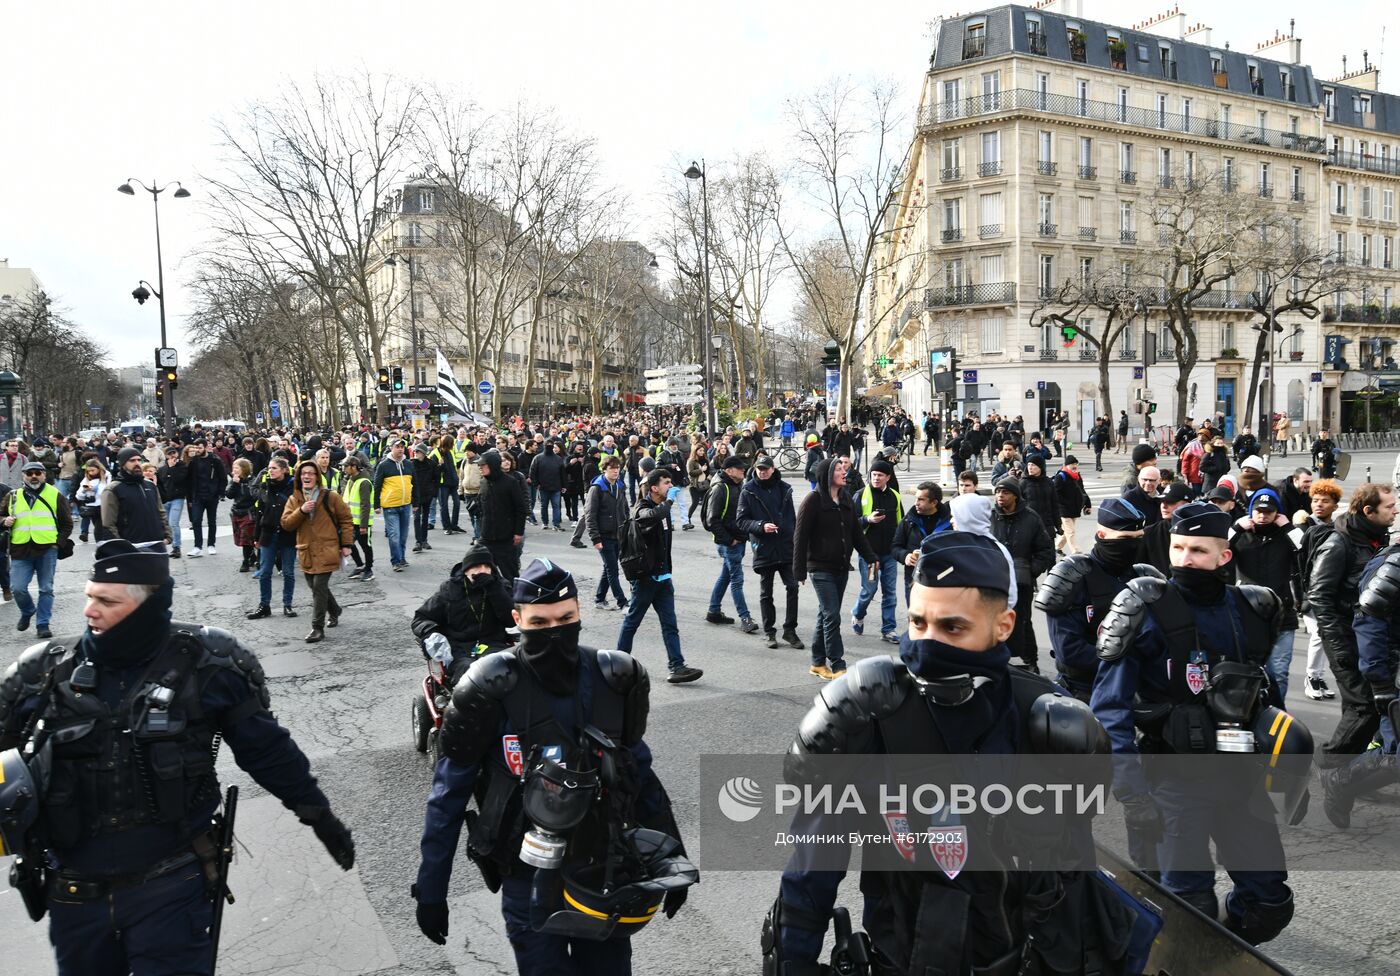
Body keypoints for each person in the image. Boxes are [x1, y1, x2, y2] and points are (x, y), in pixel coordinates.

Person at [766, 531, 1125, 975]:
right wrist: (791, 958)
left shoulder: (1046, 720)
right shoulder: (866, 714)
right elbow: (812, 866)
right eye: (918, 623)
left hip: (1026, 952)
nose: (927, 643)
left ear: (1003, 626)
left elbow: (1073, 860)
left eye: (952, 627)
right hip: (906, 951)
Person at [0, 539, 354, 976]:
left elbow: (268, 751)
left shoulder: (207, 664)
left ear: (146, 608)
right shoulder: (43, 672)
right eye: (90, 597)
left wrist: (318, 815)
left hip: (170, 886)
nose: (89, 610)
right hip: (74, 895)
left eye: (106, 602)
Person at [412, 558, 696, 974]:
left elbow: (640, 774)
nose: (555, 632)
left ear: (579, 612)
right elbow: (447, 795)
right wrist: (432, 890)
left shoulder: (613, 678)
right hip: (526, 869)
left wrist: (671, 855)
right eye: (540, 622)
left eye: (566, 619)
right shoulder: (490, 687)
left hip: (605, 865)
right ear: (517, 619)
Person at [1092, 502, 1299, 945]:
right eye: (1179, 548)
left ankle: (1217, 949)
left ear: (1224, 557)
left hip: (1240, 777)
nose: (1185, 560)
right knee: (1188, 909)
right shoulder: (1145, 607)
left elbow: (1266, 698)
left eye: (1198, 551)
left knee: (1270, 906)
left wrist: (1289, 771)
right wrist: (1131, 793)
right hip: (1172, 780)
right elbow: (1110, 709)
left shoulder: (1253, 608)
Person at [1307, 483, 1397, 765]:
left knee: (1362, 707)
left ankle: (1351, 771)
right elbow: (1319, 597)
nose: (1395, 511)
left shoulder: (1376, 538)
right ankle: (1331, 767)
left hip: (1367, 638)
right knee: (1365, 707)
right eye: (1389, 507)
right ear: (1369, 511)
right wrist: (1340, 648)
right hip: (1346, 639)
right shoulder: (1338, 543)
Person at [1037, 497, 1155, 702]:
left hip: (1134, 688)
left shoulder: (1141, 576)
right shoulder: (1073, 578)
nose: (1134, 545)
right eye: (1127, 538)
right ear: (1101, 535)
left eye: (1139, 537)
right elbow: (1069, 650)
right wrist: (1128, 662)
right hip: (1085, 691)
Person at [1325, 535, 1400, 827]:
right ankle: (1341, 782)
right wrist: (1380, 682)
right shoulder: (1392, 565)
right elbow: (1369, 620)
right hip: (1392, 672)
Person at [616, 469, 703, 683]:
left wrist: (667, 573)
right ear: (654, 488)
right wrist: (670, 501)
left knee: (670, 624)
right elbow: (651, 517)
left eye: (671, 483)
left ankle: (677, 666)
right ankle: (618, 664)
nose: (670, 486)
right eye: (666, 483)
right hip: (646, 578)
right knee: (632, 622)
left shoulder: (661, 509)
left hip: (663, 579)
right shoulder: (643, 508)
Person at [793, 458, 875, 680]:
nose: (844, 472)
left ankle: (817, 663)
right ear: (827, 475)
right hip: (820, 568)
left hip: (840, 567)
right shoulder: (813, 500)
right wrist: (798, 571)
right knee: (832, 615)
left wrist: (870, 556)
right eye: (838, 469)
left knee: (825, 615)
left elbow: (856, 532)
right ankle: (838, 664)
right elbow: (800, 537)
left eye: (843, 468)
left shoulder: (845, 497)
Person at [1229, 488, 1304, 701]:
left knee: (1278, 672)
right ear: (1250, 512)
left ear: (1277, 513)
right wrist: (1236, 527)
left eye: (1269, 511)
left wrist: (1288, 526)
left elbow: (1306, 548)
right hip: (1246, 614)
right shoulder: (1241, 536)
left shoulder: (1285, 537)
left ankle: (1277, 713)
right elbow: (1217, 548)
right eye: (1258, 511)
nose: (1262, 515)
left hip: (1282, 616)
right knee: (1245, 671)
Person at [411, 544, 516, 683]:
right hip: (458, 647)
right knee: (469, 671)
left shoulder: (500, 585)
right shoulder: (450, 588)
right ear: (466, 570)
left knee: (498, 669)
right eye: (477, 567)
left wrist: (493, 589)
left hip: (492, 643)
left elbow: (510, 620)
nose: (482, 571)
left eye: (487, 567)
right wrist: (432, 634)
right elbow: (421, 618)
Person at [280, 460, 353, 643]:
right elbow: (286, 524)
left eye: (311, 473)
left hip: (327, 548)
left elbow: (346, 519)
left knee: (319, 587)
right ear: (299, 477)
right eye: (303, 473)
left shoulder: (330, 496)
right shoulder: (294, 499)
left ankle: (317, 627)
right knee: (316, 587)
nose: (307, 476)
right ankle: (335, 610)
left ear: (317, 477)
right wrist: (301, 511)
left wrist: (346, 545)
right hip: (305, 550)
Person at [2, 460, 72, 639]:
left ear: (44, 475)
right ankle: (27, 611)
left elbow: (67, 523)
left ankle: (43, 624)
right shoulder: (13, 495)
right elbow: (1, 515)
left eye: (37, 473)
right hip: (20, 549)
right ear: (23, 476)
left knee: (46, 588)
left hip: (47, 549)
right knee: (17, 588)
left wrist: (58, 542)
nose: (34, 476)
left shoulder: (55, 494)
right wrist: (4, 521)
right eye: (29, 473)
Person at [737, 455, 801, 650]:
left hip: (786, 546)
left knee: (793, 587)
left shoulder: (785, 488)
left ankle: (790, 630)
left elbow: (792, 518)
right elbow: (741, 521)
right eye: (759, 469)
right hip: (764, 546)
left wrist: (796, 541)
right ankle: (769, 632)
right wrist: (760, 525)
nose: (762, 471)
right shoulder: (748, 490)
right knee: (767, 592)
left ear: (773, 469)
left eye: (766, 468)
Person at [990, 478, 1054, 671]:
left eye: (1005, 492)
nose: (1000, 496)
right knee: (994, 621)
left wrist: (1031, 570)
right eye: (998, 492)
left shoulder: (1031, 518)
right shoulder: (990, 516)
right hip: (994, 581)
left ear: (1015, 496)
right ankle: (997, 661)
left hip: (1021, 583)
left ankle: (1030, 661)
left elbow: (1045, 550)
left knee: (1022, 621)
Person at [1296, 478, 1342, 701]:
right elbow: (1297, 564)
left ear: (1335, 505)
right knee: (1318, 634)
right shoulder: (1304, 526)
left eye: (1325, 501)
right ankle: (1311, 677)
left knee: (1324, 636)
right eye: (1315, 500)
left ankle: (1318, 677)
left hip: (1328, 592)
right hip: (1309, 592)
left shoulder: (1335, 527)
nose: (1319, 504)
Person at [850, 458, 902, 644]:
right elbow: (850, 523)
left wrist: (900, 547)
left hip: (889, 554)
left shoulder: (895, 495)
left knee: (890, 592)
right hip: (869, 555)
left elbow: (900, 523)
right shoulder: (860, 495)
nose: (876, 478)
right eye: (874, 475)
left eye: (880, 475)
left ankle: (888, 629)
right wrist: (867, 520)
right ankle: (858, 612)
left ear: (888, 477)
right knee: (870, 589)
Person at [705, 455, 758, 633]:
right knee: (737, 580)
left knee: (726, 575)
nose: (743, 470)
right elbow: (712, 520)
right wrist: (730, 540)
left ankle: (713, 611)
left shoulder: (736, 484)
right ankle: (745, 617)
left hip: (737, 540)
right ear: (729, 471)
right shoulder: (720, 488)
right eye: (740, 468)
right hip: (730, 543)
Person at [246, 456, 299, 620]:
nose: (270, 471)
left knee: (288, 572)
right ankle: (264, 605)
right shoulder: (265, 486)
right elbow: (260, 512)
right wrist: (256, 536)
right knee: (265, 571)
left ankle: (287, 604)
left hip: (287, 533)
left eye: (274, 468)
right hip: (268, 533)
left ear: (284, 470)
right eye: (269, 468)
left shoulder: (293, 487)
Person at [890, 480, 951, 601]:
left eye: (921, 499)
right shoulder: (909, 520)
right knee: (915, 617)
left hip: (941, 580)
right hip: (915, 579)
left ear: (934, 502)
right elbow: (895, 546)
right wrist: (905, 556)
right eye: (916, 498)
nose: (916, 503)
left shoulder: (949, 522)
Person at [478, 449, 529, 584]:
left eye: (483, 466)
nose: (480, 469)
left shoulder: (510, 482)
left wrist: (518, 532)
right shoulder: (483, 482)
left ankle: (514, 602)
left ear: (493, 466)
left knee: (510, 575)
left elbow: (520, 509)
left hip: (506, 538)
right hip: (486, 537)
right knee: (480, 571)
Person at [101, 447, 171, 545]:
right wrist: (121, 545)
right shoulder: (113, 489)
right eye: (132, 460)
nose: (137, 463)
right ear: (123, 463)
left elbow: (161, 512)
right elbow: (108, 524)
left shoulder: (150, 485)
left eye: (139, 460)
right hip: (132, 547)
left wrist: (167, 536)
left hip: (157, 544)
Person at [586, 455, 629, 612]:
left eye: (618, 468)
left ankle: (599, 598)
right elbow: (590, 515)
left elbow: (624, 508)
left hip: (618, 534)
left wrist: (627, 526)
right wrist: (595, 538)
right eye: (612, 468)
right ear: (604, 469)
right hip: (604, 536)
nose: (616, 471)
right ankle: (622, 602)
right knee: (613, 570)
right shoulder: (596, 488)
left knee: (608, 568)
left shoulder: (619, 485)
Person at [372, 438, 415, 572]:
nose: (400, 449)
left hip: (406, 505)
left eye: (402, 447)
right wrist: (376, 505)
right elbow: (377, 485)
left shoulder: (408, 464)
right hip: (391, 507)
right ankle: (395, 561)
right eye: (397, 447)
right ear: (391, 448)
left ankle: (401, 558)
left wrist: (416, 501)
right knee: (394, 536)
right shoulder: (384, 465)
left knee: (403, 536)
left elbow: (415, 484)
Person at [185, 440, 227, 556]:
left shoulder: (215, 460)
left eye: (199, 448)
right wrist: (189, 498)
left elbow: (223, 477)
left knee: (211, 521)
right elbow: (187, 479)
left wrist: (219, 493)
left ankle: (211, 544)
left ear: (204, 447)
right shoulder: (193, 461)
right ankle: (197, 546)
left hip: (211, 496)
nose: (197, 450)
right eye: (196, 448)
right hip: (197, 496)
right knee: (196, 521)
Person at [226, 457, 260, 573]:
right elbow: (229, 495)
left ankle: (245, 561)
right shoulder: (234, 480)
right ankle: (252, 556)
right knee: (241, 539)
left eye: (237, 467)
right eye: (233, 467)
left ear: (244, 469)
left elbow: (252, 495)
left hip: (248, 512)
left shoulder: (252, 480)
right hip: (237, 512)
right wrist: (235, 484)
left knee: (246, 539)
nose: (234, 470)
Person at [1054, 455, 1092, 555]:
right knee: (1070, 531)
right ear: (1066, 466)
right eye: (1072, 464)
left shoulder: (1077, 476)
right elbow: (1055, 493)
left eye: (1076, 464)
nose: (1074, 466)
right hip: (1064, 509)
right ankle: (1076, 551)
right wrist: (1064, 503)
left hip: (1075, 508)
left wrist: (1088, 504)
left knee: (1066, 531)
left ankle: (1057, 546)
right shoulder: (1061, 476)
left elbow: (1082, 491)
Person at [156, 445, 189, 558]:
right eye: (169, 454)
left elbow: (178, 480)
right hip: (165, 499)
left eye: (173, 453)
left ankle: (176, 547)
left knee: (173, 523)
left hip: (177, 498)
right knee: (164, 525)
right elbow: (160, 484)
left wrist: (172, 468)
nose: (172, 455)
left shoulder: (182, 467)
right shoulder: (161, 470)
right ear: (165, 456)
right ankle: (164, 546)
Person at [529, 439, 566, 530]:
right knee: (546, 506)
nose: (549, 446)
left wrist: (564, 485)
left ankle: (555, 523)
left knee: (554, 506)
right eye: (548, 445)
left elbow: (563, 473)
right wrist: (536, 483)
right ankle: (546, 523)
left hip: (554, 487)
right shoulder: (539, 458)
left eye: (551, 445)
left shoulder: (556, 459)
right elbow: (532, 472)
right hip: (544, 487)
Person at [73, 459, 110, 544]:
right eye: (88, 471)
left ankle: (101, 545)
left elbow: (106, 492)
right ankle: (101, 544)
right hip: (91, 507)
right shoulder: (86, 479)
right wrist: (84, 490)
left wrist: (94, 489)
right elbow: (78, 496)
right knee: (98, 528)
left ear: (98, 468)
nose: (91, 473)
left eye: (93, 470)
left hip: (103, 506)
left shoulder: (106, 476)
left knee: (99, 529)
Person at [411, 443, 437, 554]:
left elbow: (436, 479)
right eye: (415, 451)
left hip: (427, 494)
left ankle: (424, 540)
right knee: (417, 518)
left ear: (424, 453)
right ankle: (418, 541)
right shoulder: (411, 464)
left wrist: (433, 493)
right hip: (416, 495)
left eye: (419, 452)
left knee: (425, 517)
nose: (416, 454)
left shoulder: (431, 464)